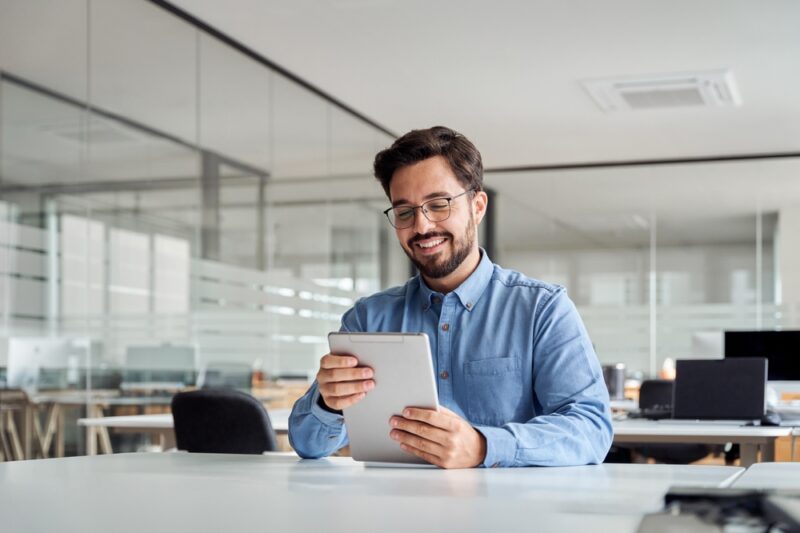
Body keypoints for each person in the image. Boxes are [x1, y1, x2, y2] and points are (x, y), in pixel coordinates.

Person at [288, 126, 612, 468]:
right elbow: (308, 445)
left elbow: (591, 429)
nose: (422, 226)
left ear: (477, 206)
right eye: (404, 212)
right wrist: (328, 403)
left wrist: (485, 447)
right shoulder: (368, 319)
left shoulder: (543, 310)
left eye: (438, 204)